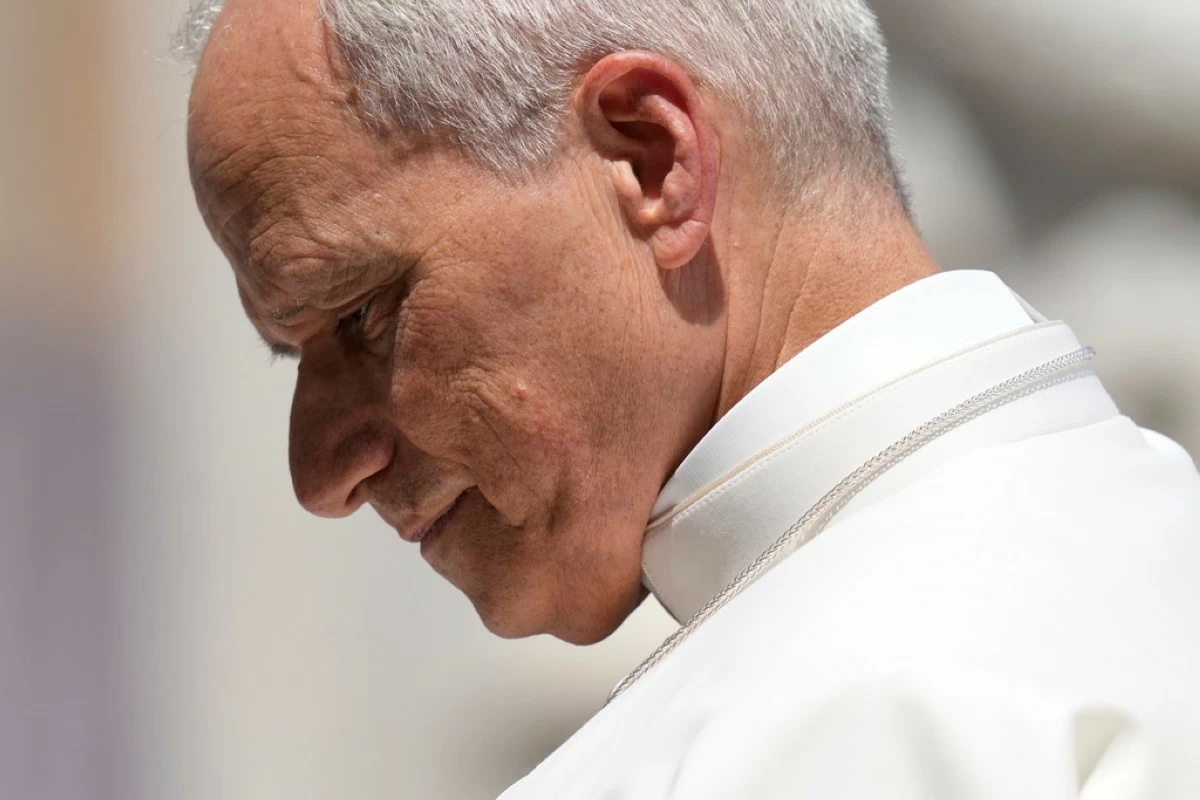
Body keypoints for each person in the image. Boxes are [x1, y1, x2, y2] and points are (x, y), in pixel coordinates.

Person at [178, 0, 1200, 795]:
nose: (323, 471)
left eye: (362, 314)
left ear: (652, 159)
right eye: (291, 352)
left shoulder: (828, 731)